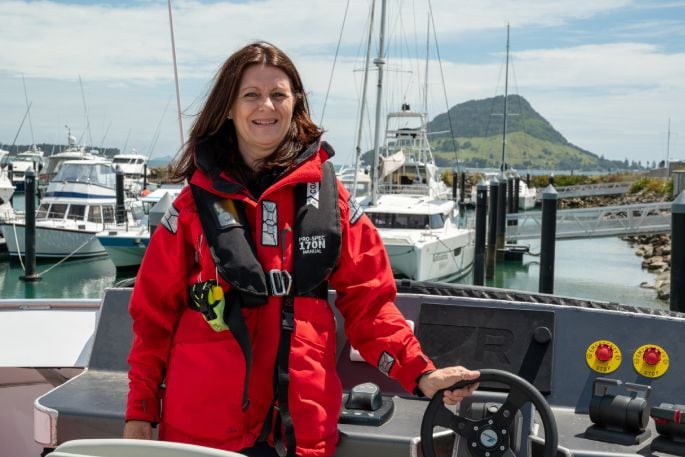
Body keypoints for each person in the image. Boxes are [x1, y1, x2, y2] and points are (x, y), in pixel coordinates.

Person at [123, 41, 479, 457]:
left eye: (278, 94)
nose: (266, 106)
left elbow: (370, 306)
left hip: (302, 430)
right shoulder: (190, 209)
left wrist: (422, 374)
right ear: (229, 109)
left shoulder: (333, 202)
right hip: (203, 434)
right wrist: (140, 411)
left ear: (295, 104)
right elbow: (152, 320)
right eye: (251, 95)